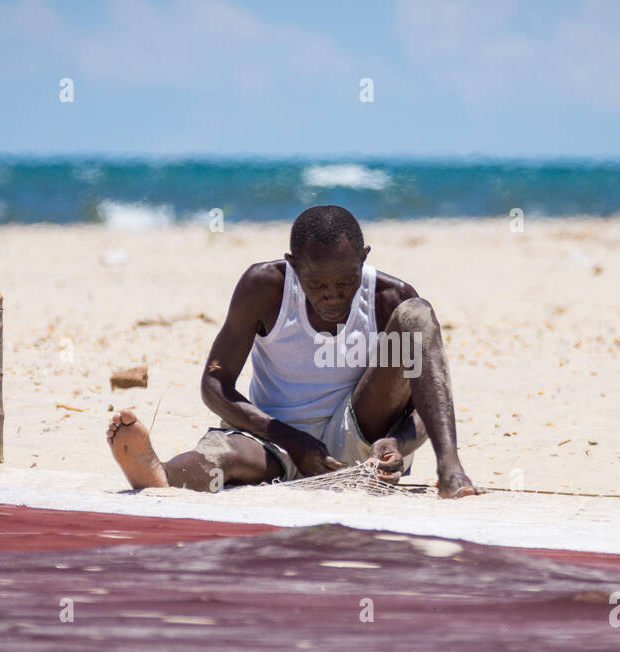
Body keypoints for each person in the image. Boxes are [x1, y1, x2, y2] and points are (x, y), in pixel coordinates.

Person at [107, 205, 476, 499]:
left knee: (417, 314)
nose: (333, 294)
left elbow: (426, 409)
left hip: (360, 436)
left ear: (363, 259)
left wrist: (398, 440)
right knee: (222, 455)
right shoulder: (264, 288)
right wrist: (287, 437)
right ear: (293, 265)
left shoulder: (388, 299)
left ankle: (451, 467)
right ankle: (158, 472)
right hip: (272, 438)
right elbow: (214, 383)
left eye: (346, 281)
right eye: (316, 284)